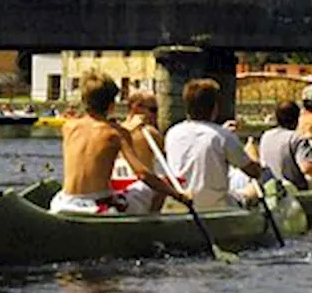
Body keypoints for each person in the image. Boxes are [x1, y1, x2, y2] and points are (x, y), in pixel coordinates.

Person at [51, 74, 189, 216]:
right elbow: (142, 174)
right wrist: (178, 195)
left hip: (64, 202)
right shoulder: (117, 133)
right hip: (97, 206)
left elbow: (92, 128)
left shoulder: (68, 127)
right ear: (111, 106)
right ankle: (148, 228)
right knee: (153, 188)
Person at [164, 78, 264, 210]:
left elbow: (198, 145)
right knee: (255, 188)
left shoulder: (172, 133)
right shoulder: (223, 137)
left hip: (182, 204)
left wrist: (221, 131)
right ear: (215, 107)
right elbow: (254, 171)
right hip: (217, 207)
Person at [259, 101, 312, 190]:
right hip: (293, 189)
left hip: (270, 187)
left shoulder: (266, 136)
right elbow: (307, 168)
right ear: (297, 118)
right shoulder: (297, 138)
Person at [120, 90, 162, 174]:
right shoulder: (149, 132)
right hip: (144, 183)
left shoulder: (116, 131)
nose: (156, 115)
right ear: (136, 107)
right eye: (153, 110)